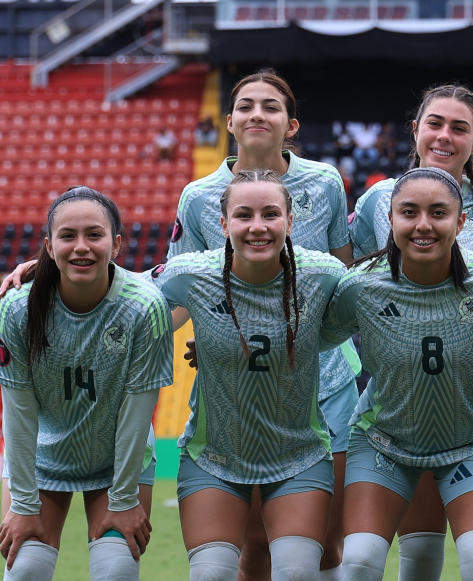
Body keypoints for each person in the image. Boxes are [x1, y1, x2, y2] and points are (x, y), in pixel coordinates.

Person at [167, 69, 360, 581]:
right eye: (246, 106)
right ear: (229, 122)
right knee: (253, 541)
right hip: (240, 386)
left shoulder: (325, 183)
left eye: (271, 106)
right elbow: (176, 292)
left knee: (328, 543)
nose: (258, 114)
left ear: (291, 124)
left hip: (327, 380)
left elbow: (345, 280)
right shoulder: (198, 196)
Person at [325, 167, 473, 581]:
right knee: (358, 562)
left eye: (438, 213)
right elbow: (309, 340)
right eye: (409, 212)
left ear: (460, 222)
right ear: (391, 220)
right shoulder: (359, 287)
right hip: (383, 442)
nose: (423, 224)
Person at [349, 84, 473, 581]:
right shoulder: (377, 200)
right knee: (421, 552)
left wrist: (460, 334)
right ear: (416, 130)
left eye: (459, 128)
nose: (445, 136)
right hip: (406, 401)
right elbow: (353, 287)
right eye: (435, 123)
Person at [0, 187, 173, 581]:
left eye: (94, 234)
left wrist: (123, 499)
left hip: (118, 460)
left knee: (117, 570)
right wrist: (24, 505)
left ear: (116, 244)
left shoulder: (145, 306)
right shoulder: (17, 308)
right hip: (42, 458)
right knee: (25, 570)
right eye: (68, 236)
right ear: (49, 247)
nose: (81, 246)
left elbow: (137, 415)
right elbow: (18, 415)